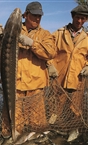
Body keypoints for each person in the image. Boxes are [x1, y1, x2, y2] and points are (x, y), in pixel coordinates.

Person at [0, 1, 57, 139]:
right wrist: (0, 38)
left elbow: (51, 52)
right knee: (11, 125)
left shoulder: (45, 34)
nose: (37, 19)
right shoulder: (13, 30)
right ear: (25, 15)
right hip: (15, 88)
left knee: (37, 125)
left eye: (40, 16)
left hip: (35, 88)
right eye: (34, 16)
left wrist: (31, 43)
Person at [47, 5, 88, 142]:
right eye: (78, 17)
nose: (80, 21)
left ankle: (73, 133)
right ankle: (54, 134)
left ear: (86, 20)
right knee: (55, 108)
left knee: (76, 109)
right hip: (59, 78)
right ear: (72, 17)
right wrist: (50, 65)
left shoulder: (87, 37)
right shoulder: (58, 34)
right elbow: (48, 52)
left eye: (83, 18)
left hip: (78, 80)